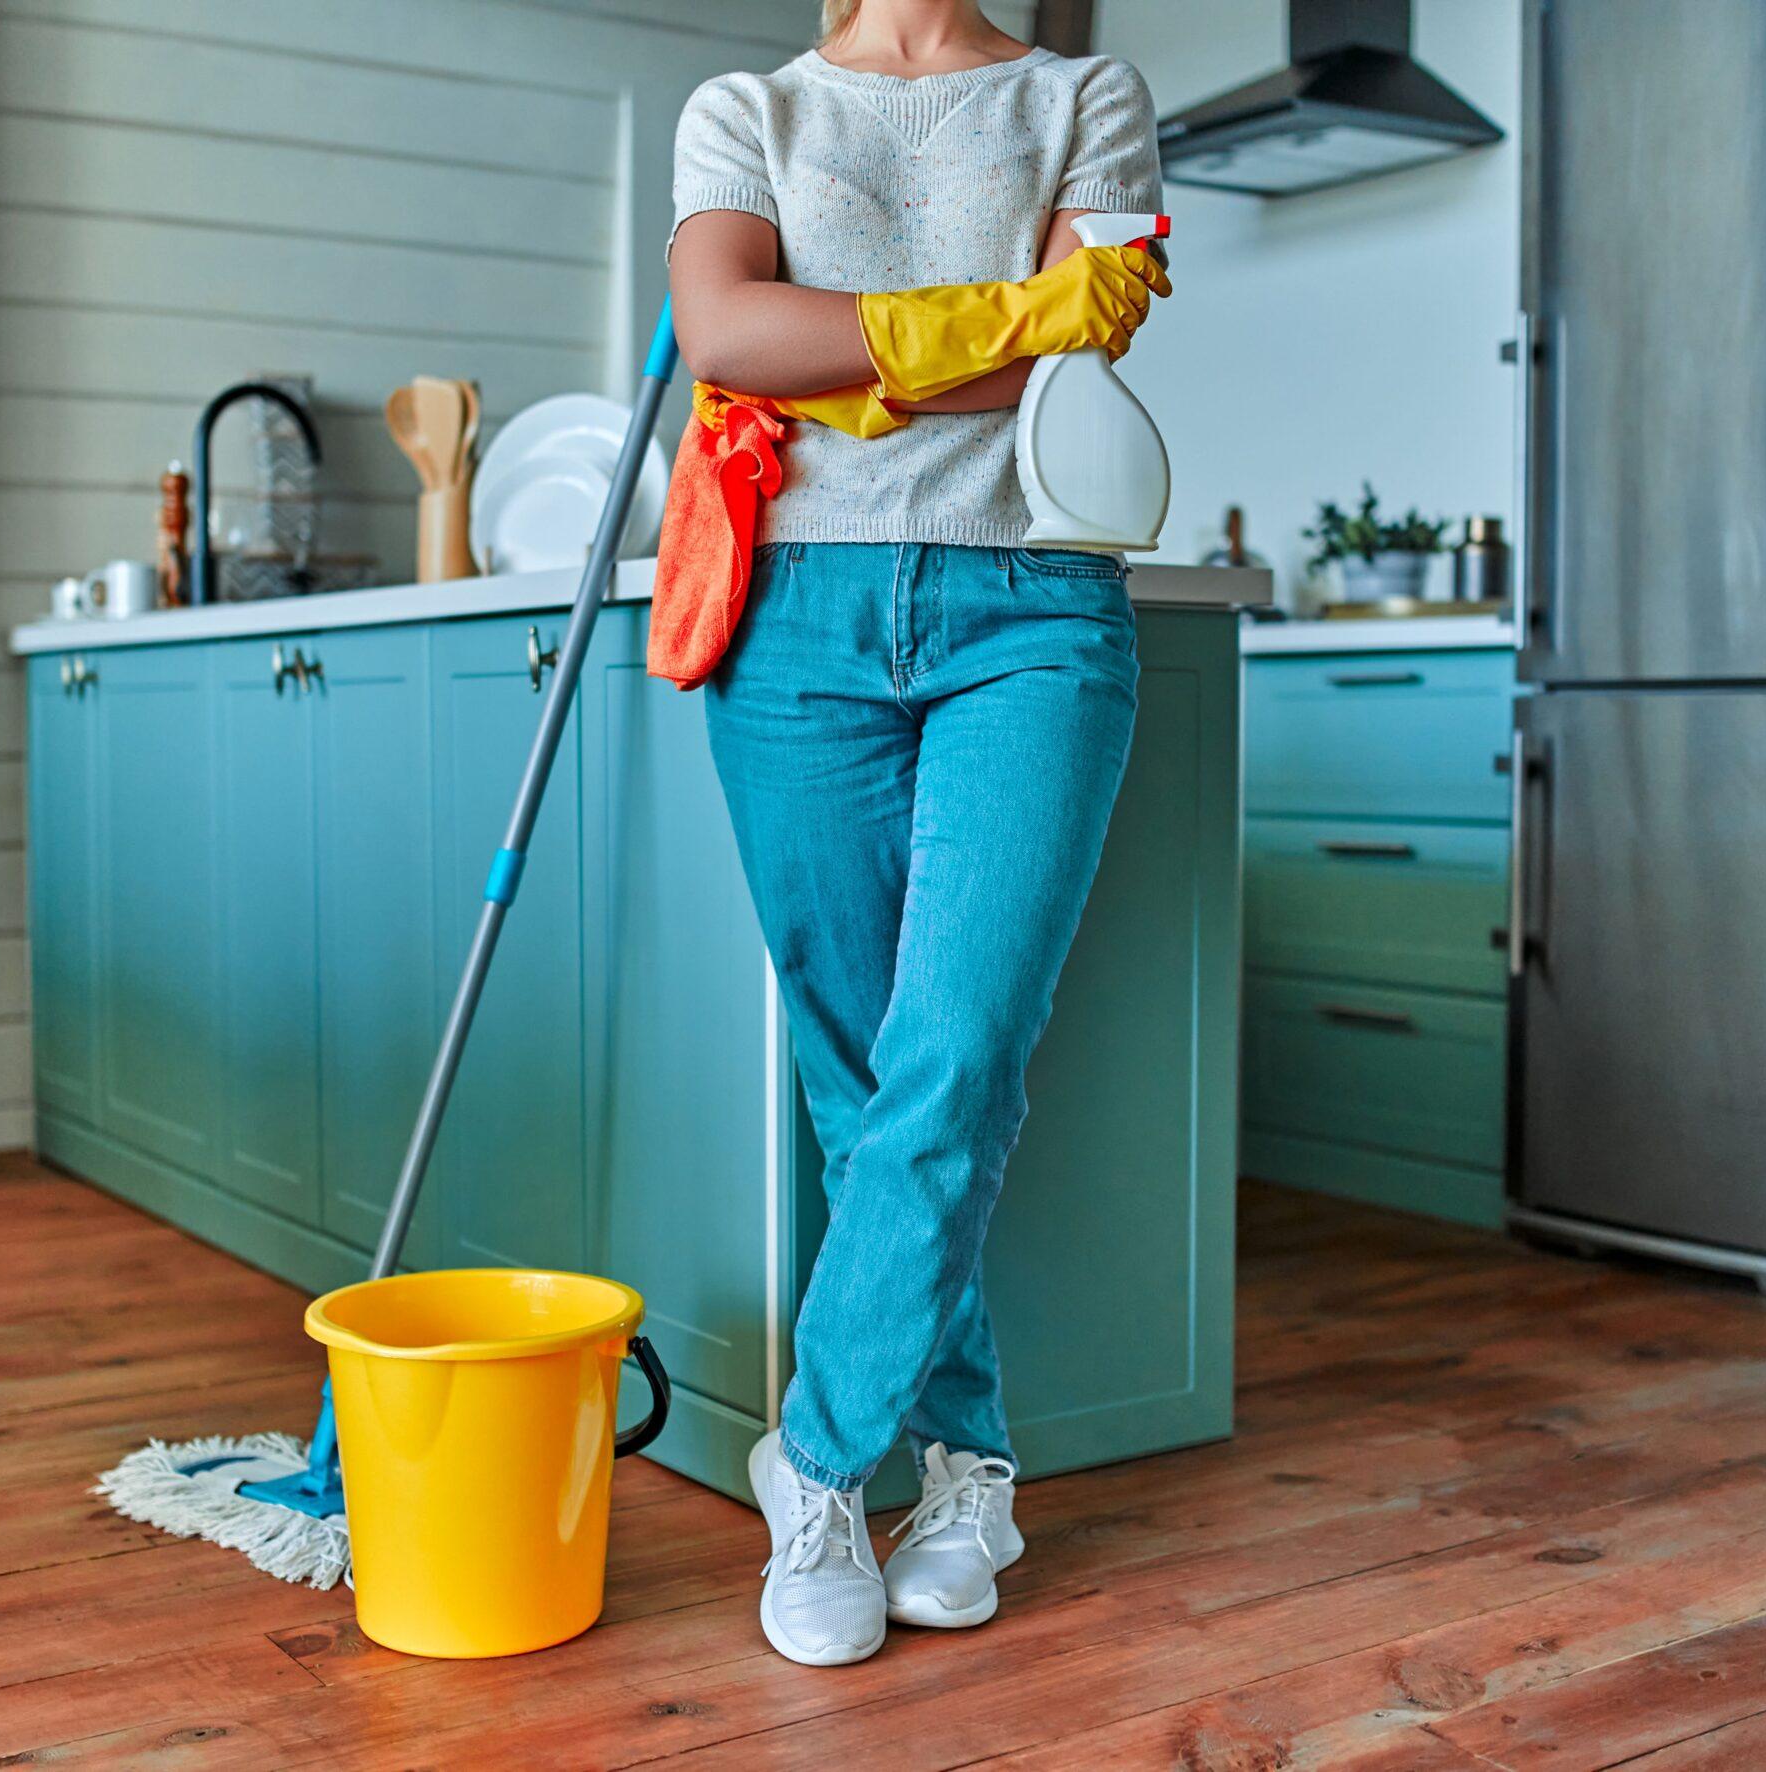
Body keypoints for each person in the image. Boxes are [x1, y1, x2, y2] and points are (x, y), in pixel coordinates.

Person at [665, 0, 1170, 1668]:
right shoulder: (745, 110)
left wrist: (861, 353)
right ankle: (967, 1471)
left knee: (956, 1049)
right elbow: (730, 333)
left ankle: (812, 1466)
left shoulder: (1088, 95)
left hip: (1036, 602)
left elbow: (1081, 358)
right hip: (793, 620)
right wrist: (1013, 308)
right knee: (856, 1077)